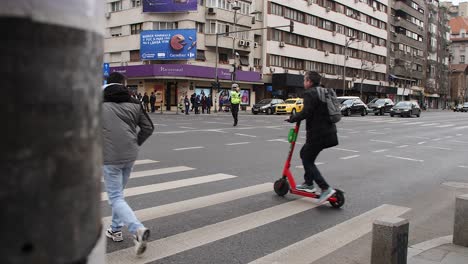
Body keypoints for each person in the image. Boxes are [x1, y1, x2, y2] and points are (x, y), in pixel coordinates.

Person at [102, 72, 154, 256]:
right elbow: (148, 127)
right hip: (129, 155)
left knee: (115, 197)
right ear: (124, 84)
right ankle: (115, 229)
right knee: (119, 195)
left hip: (109, 157)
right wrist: (135, 142)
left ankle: (137, 229)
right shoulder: (135, 102)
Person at [286, 71, 337, 204]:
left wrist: (292, 118)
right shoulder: (324, 92)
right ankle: (308, 183)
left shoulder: (310, 93)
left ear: (309, 82)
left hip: (317, 134)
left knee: (307, 159)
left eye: (304, 80)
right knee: (305, 154)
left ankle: (325, 188)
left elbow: (306, 112)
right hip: (329, 133)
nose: (304, 83)